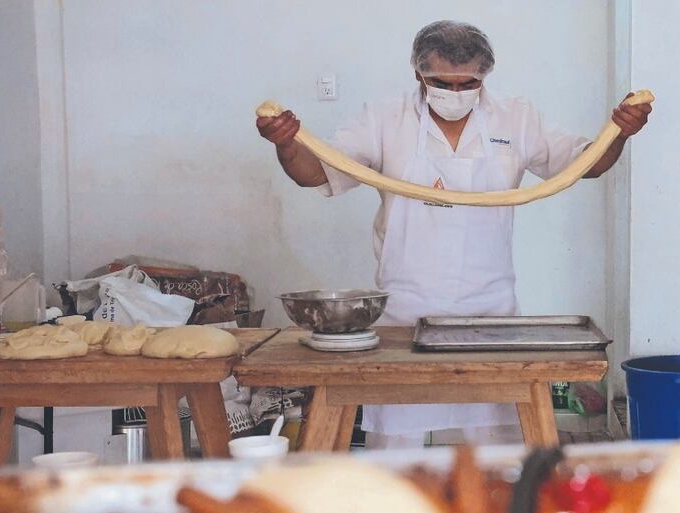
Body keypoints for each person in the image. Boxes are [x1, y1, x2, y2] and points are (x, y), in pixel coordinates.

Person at [258, 20, 651, 449]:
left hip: (489, 308)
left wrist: (619, 133)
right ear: (418, 75)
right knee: (395, 451)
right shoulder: (384, 118)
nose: (457, 93)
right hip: (405, 308)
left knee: (497, 455)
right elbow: (316, 173)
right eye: (444, 83)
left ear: (485, 76)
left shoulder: (515, 117)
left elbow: (585, 164)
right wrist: (287, 145)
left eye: (469, 83)